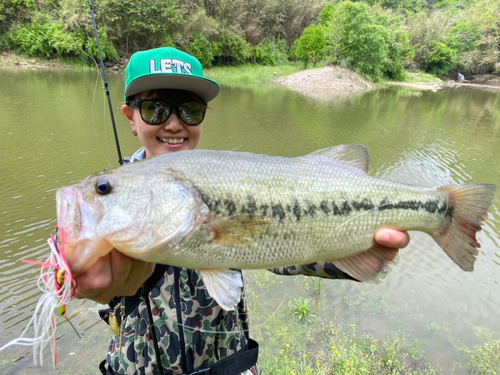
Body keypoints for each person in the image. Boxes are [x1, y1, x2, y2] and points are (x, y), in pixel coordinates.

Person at [69, 47, 410, 375]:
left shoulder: (229, 181)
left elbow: (287, 249)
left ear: (204, 116)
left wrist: (360, 251)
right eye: (155, 110)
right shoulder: (110, 199)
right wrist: (76, 277)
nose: (173, 124)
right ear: (130, 117)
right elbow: (70, 268)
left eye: (190, 110)